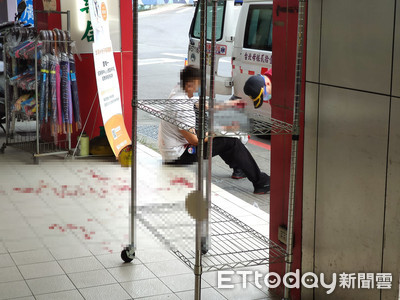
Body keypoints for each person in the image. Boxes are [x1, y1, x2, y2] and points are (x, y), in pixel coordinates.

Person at [158, 65, 270, 194]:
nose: (199, 89)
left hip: (172, 150)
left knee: (224, 140)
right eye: (197, 85)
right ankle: (260, 181)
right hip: (179, 156)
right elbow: (195, 140)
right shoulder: (182, 107)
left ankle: (240, 168)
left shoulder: (178, 91)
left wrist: (222, 106)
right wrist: (216, 132)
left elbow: (197, 103)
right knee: (230, 141)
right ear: (189, 85)